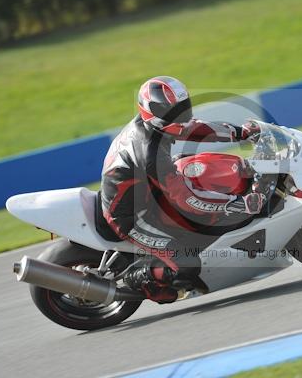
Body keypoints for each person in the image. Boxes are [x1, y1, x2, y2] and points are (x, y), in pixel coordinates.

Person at [97, 76, 263, 303]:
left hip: (146, 194)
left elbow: (196, 129)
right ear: (153, 111)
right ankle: (139, 279)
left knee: (198, 168)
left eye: (182, 108)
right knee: (187, 263)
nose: (181, 115)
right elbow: (185, 200)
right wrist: (232, 203)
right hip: (131, 216)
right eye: (173, 111)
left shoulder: (157, 125)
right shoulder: (149, 152)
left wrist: (240, 132)